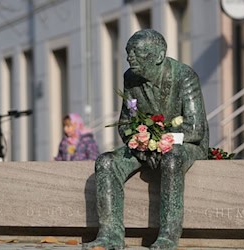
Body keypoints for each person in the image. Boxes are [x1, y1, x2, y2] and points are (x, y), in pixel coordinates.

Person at [83, 29, 209, 249]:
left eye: (138, 53)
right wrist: (141, 144)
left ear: (159, 55)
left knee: (171, 159)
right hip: (145, 144)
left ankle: (168, 236)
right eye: (128, 52)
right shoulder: (130, 78)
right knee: (106, 162)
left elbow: (195, 129)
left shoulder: (184, 76)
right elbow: (126, 122)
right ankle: (111, 235)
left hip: (185, 144)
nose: (130, 57)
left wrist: (162, 142)